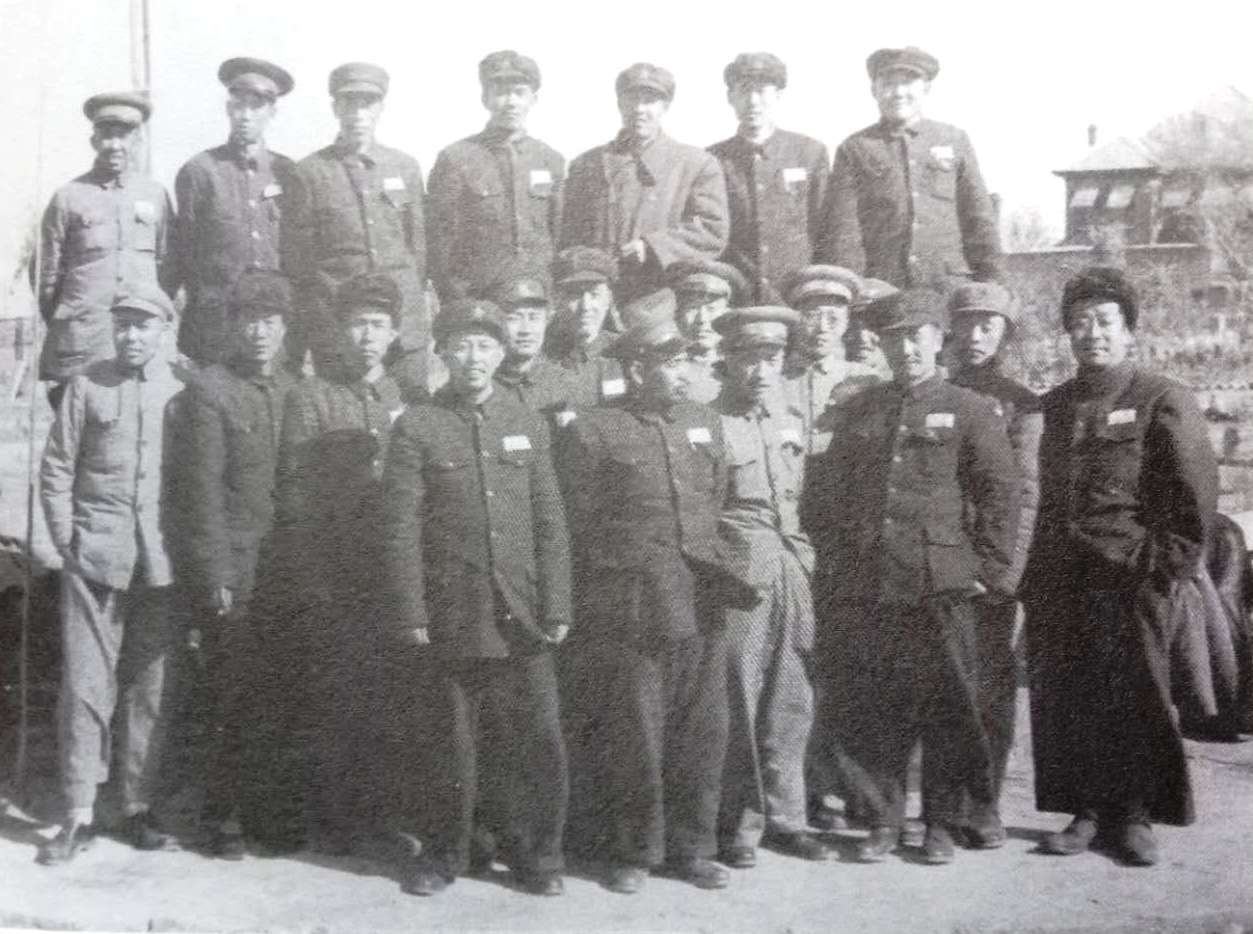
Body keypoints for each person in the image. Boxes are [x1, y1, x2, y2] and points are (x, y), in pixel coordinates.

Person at [804, 287, 1018, 865]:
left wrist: (989, 571)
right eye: (894, 340)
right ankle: (882, 818)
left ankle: (942, 822)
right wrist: (839, 565)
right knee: (876, 705)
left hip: (941, 584)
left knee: (947, 706)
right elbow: (830, 495)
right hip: (871, 583)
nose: (906, 350)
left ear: (938, 340)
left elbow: (1000, 495)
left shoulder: (971, 409)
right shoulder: (863, 410)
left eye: (917, 338)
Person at [1022, 267, 1218, 866]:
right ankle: (1085, 811)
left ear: (1129, 331)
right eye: (1080, 323)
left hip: (1131, 575)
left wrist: (1162, 568)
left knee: (1136, 693)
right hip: (1063, 576)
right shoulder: (1053, 406)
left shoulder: (1160, 397)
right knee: (1069, 693)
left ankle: (1134, 815)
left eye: (1105, 322)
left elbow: (1194, 495)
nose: (1092, 334)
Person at [382, 297, 572, 897]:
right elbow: (401, 530)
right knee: (451, 742)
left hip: (522, 612)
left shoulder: (525, 420)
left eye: (485, 345)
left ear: (500, 352)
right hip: (454, 611)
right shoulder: (418, 425)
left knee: (533, 740)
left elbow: (549, 521)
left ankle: (537, 858)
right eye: (461, 345)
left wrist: (558, 604)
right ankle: (446, 855)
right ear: (442, 352)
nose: (473, 357)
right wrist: (411, 611)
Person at [566, 316, 745, 894]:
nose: (684, 372)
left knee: (702, 729)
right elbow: (578, 523)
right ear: (637, 369)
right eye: (671, 362)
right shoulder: (594, 430)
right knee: (633, 732)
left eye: (686, 360)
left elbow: (714, 497)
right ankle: (634, 850)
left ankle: (693, 848)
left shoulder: (703, 421)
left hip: (701, 595)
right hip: (632, 603)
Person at [37, 285, 185, 864]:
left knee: (150, 688)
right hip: (95, 556)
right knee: (86, 686)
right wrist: (67, 539)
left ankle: (134, 805)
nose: (131, 335)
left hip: (160, 562)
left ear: (164, 330)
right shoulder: (85, 386)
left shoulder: (181, 388)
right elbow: (56, 468)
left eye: (143, 325)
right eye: (123, 324)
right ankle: (78, 810)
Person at [270, 272, 408, 853]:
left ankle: (384, 814)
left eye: (378, 325)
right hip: (335, 570)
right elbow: (296, 496)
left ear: (394, 333)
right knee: (335, 695)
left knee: (390, 694)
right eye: (358, 324)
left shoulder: (403, 394)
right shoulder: (313, 397)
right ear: (340, 330)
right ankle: (337, 820)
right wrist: (311, 578)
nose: (368, 336)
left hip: (392, 571)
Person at [178, 270, 296, 858]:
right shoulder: (211, 390)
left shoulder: (295, 388)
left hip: (285, 570)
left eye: (270, 322)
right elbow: (202, 493)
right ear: (233, 325)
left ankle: (268, 813)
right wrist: (217, 573)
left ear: (285, 328)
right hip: (238, 570)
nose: (259, 333)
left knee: (278, 690)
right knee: (230, 693)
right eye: (249, 321)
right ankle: (222, 817)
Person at [712, 306, 829, 868]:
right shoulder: (710, 423)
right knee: (739, 695)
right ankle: (739, 823)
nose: (761, 370)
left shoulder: (792, 418)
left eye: (772, 357)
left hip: (792, 569)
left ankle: (788, 819)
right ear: (729, 360)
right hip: (741, 576)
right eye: (749, 358)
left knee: (792, 695)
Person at [927, 281, 1041, 848]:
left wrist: (1002, 573)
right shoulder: (933, 392)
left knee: (991, 692)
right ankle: (940, 812)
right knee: (941, 686)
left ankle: (983, 804)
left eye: (988, 326)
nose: (975, 336)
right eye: (967, 324)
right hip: (937, 562)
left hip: (991, 569)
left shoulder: (1022, 404)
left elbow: (1026, 494)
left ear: (1004, 334)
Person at [281, 62, 428, 397]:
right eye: (350, 103)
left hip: (402, 323)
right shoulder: (311, 172)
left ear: (381, 108)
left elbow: (418, 249)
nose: (359, 114)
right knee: (343, 412)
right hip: (342, 325)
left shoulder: (404, 167)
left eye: (368, 103)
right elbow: (300, 261)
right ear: (335, 108)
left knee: (412, 408)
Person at [34, 92, 176, 409]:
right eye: (107, 135)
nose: (115, 145)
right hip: (83, 343)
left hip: (136, 343)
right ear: (94, 140)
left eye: (123, 135)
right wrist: (73, 319)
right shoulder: (68, 197)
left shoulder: (155, 195)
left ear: (137, 140)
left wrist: (145, 315)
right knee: (75, 427)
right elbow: (46, 278)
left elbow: (168, 266)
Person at [817, 47, 1002, 289]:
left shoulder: (954, 139)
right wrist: (853, 291)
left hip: (948, 285)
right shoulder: (855, 148)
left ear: (926, 88)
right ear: (874, 91)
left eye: (908, 83)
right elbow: (844, 231)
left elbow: (978, 217)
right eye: (888, 84)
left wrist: (992, 282)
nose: (899, 93)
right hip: (884, 289)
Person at [561, 63, 729, 302]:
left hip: (660, 298)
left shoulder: (695, 164)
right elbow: (568, 235)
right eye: (631, 99)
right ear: (619, 104)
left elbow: (711, 230)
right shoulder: (587, 164)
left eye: (649, 101)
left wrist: (652, 247)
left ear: (665, 106)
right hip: (594, 301)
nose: (639, 109)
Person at [173, 58, 297, 366]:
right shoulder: (200, 171)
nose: (246, 116)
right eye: (239, 105)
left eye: (256, 107)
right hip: (218, 327)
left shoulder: (288, 172)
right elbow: (184, 253)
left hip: (273, 330)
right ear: (228, 108)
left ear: (272, 112)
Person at [427, 51, 564, 304]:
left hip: (536, 296)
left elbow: (558, 235)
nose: (511, 102)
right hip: (479, 297)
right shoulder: (457, 158)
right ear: (485, 99)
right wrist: (457, 297)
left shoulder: (550, 159)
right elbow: (440, 241)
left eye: (519, 93)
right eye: (501, 93)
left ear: (534, 99)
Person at [709, 53, 829, 303]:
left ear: (778, 95)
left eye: (762, 91)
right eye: (744, 90)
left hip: (796, 295)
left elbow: (825, 229)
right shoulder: (713, 159)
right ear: (731, 97)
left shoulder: (809, 152)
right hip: (738, 298)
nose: (753, 101)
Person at [780, 264, 866, 455]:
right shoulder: (771, 378)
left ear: (846, 323)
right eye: (811, 317)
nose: (823, 328)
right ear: (793, 320)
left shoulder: (865, 379)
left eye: (834, 319)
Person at [545, 246, 625, 407]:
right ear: (558, 300)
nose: (586, 306)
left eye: (595, 294)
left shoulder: (624, 353)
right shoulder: (544, 354)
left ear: (608, 299)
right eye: (575, 295)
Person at [490, 273, 575, 415]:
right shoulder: (482, 386)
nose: (526, 330)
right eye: (514, 318)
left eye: (534, 318)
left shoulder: (565, 384)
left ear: (547, 321)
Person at [670, 258, 750, 404]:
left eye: (711, 309)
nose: (702, 319)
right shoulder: (668, 373)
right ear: (677, 315)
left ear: (727, 315)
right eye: (692, 308)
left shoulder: (743, 369)